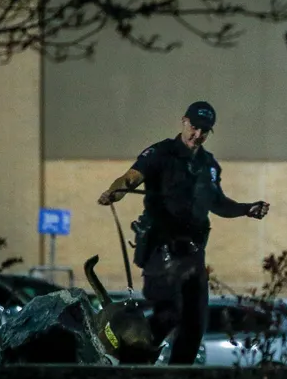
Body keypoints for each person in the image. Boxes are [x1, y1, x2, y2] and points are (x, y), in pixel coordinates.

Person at [96, 100, 270, 364]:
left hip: (193, 255)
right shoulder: (161, 153)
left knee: (195, 323)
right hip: (161, 250)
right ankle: (135, 361)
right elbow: (131, 177)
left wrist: (248, 209)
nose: (198, 135)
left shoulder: (208, 165)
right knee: (170, 313)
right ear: (184, 122)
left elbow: (218, 203)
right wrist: (115, 192)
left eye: (205, 131)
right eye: (194, 127)